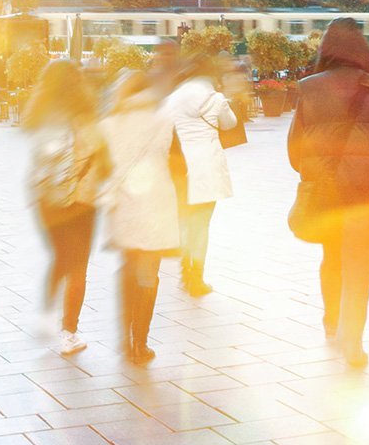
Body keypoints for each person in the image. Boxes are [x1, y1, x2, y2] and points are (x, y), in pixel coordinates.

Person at [288, 21, 369, 366]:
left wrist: (314, 172)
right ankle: (353, 341)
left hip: (327, 189)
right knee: (360, 263)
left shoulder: (308, 88)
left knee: (332, 256)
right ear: (361, 49)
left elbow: (295, 150)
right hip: (366, 193)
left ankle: (331, 323)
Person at [22, 60, 110, 356]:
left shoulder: (39, 116)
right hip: (80, 201)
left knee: (60, 257)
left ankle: (46, 315)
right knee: (78, 266)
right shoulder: (88, 117)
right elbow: (105, 163)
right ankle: (68, 333)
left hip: (45, 201)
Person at [98, 71, 177, 364]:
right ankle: (140, 343)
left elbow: (104, 169)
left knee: (127, 270)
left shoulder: (107, 124)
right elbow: (174, 161)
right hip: (155, 206)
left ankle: (124, 337)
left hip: (123, 208)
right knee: (147, 274)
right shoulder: (163, 121)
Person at [167, 53, 238, 296]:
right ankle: (196, 278)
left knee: (185, 220)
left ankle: (184, 270)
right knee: (202, 224)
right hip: (207, 167)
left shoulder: (173, 98)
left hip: (181, 166)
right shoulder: (216, 98)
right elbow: (230, 124)